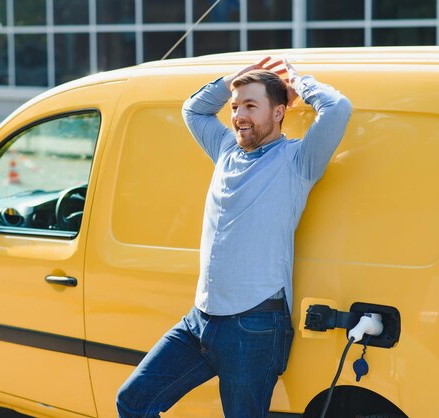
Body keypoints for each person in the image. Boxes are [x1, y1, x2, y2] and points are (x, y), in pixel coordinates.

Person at [116, 57, 352, 418]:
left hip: (254, 325)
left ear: (278, 112)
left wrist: (297, 84)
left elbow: (337, 109)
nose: (239, 115)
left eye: (251, 106)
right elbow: (193, 110)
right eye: (235, 106)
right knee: (133, 402)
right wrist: (235, 78)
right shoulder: (226, 149)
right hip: (200, 320)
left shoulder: (297, 161)